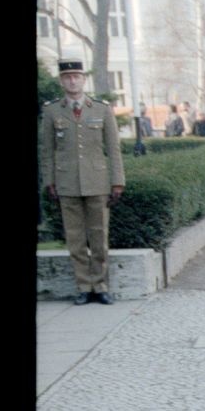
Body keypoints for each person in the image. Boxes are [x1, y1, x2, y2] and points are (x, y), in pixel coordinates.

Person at [40, 59, 125, 305]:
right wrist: (50, 181)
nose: (72, 81)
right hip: (67, 183)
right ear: (61, 81)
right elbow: (47, 150)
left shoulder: (101, 109)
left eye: (76, 76)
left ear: (83, 79)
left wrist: (117, 181)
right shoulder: (52, 111)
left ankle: (100, 285)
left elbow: (114, 149)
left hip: (97, 181)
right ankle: (83, 286)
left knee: (99, 236)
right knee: (75, 238)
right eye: (67, 77)